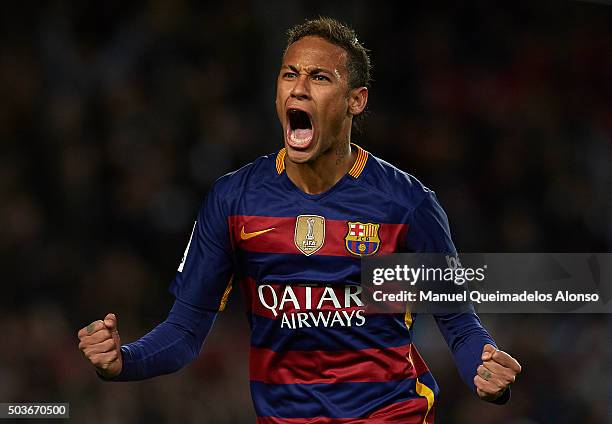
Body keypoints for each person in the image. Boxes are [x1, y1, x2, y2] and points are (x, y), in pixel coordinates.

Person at [78, 17, 521, 423]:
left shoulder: (405, 205)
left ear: (355, 101)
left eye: (319, 77)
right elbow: (185, 330)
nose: (299, 88)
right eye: (290, 74)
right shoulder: (234, 200)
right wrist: (124, 362)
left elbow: (460, 325)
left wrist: (487, 372)